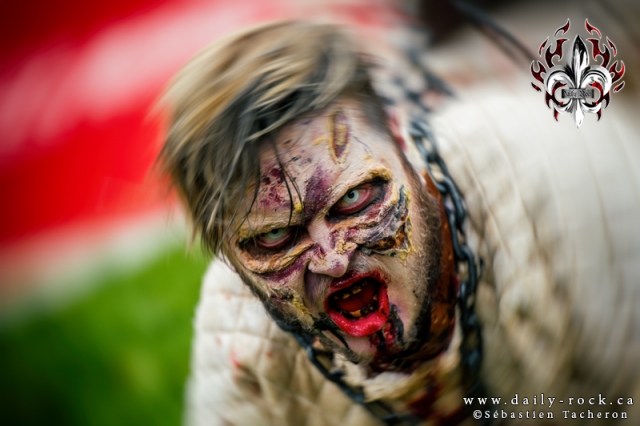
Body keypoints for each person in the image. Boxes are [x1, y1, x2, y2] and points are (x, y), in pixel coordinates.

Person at [160, 15, 640, 426]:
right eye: (274, 236)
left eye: (354, 199)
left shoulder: (567, 183)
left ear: (403, 140)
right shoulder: (242, 339)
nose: (332, 260)